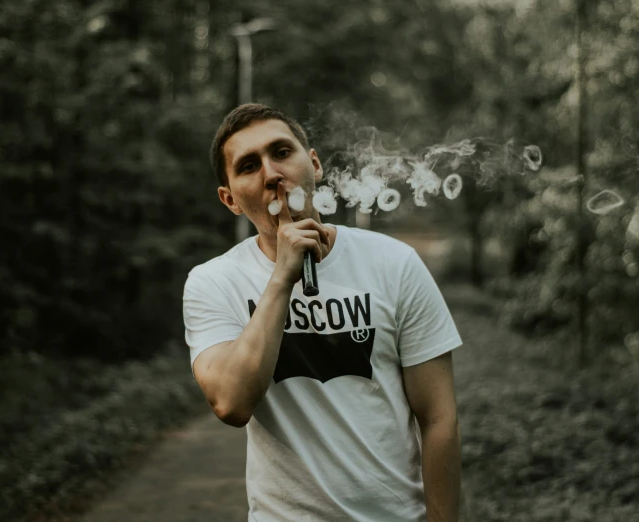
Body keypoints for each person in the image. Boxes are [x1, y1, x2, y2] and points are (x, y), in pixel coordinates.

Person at [182, 103, 463, 522]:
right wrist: (281, 278)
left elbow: (439, 417)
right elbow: (231, 403)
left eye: (281, 152)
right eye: (248, 166)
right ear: (230, 200)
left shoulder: (394, 263)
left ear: (313, 163)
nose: (272, 174)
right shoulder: (213, 282)